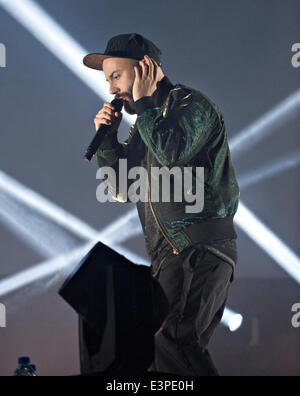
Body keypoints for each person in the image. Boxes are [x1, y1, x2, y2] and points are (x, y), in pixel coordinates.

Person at [83, 33, 240, 376]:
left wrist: (145, 106)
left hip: (199, 246)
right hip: (168, 254)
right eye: (107, 78)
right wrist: (109, 139)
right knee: (161, 352)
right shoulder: (145, 123)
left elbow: (171, 155)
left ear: (144, 69)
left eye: (116, 76)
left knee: (172, 341)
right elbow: (122, 189)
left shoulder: (190, 106)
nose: (111, 89)